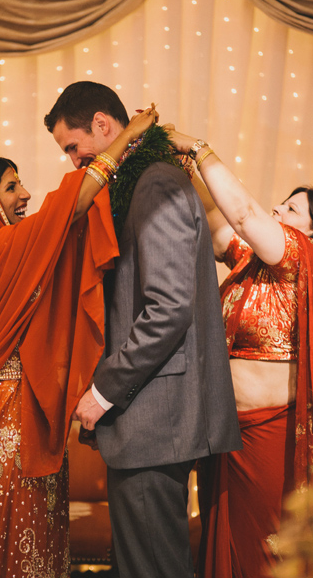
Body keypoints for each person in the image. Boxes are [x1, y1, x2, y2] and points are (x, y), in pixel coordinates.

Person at [0, 106, 155, 577]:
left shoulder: (15, 249)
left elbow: (62, 226)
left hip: (33, 413)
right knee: (9, 542)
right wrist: (129, 139)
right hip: (6, 419)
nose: (26, 195)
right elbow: (70, 207)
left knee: (39, 540)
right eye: (11, 187)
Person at [44, 81, 241, 578]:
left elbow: (169, 307)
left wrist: (104, 391)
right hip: (157, 417)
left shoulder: (153, 181)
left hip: (158, 419)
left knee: (151, 569)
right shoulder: (137, 182)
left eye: (73, 146)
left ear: (104, 126)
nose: (73, 161)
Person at [162, 127, 313, 577]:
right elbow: (217, 224)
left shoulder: (300, 257)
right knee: (220, 545)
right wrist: (179, 165)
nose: (277, 209)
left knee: (266, 555)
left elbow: (246, 215)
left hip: (269, 437)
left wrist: (199, 147)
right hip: (224, 434)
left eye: (291, 208)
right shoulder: (254, 262)